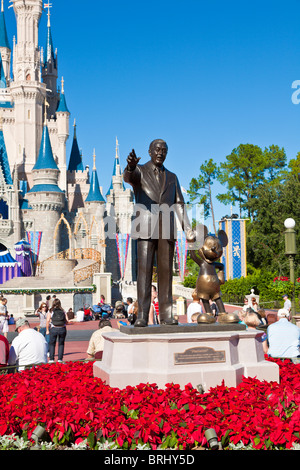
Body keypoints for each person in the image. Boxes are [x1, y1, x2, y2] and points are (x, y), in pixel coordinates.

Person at [123, 139, 194, 327]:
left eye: (164, 150)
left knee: (166, 274)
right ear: (149, 151)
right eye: (157, 149)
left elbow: (179, 203)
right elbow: (129, 178)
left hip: (167, 229)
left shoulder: (172, 177)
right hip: (145, 227)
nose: (160, 153)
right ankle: (142, 315)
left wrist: (187, 227)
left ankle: (167, 315)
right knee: (144, 273)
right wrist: (130, 166)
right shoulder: (140, 171)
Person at [46, 298, 68, 363]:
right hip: (62, 328)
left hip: (54, 328)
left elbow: (47, 320)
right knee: (61, 344)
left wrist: (47, 329)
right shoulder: (63, 311)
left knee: (52, 344)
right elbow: (67, 321)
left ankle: (51, 359)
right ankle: (60, 359)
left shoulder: (51, 311)